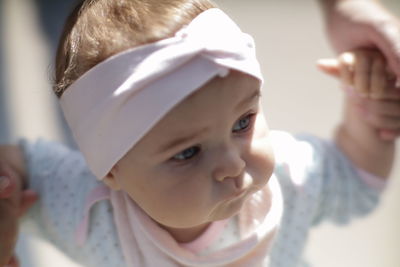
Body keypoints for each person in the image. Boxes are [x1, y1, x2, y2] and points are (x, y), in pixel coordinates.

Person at [0, 0, 399, 266]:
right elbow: (23, 165)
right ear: (110, 168)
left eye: (243, 122)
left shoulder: (286, 182)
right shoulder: (89, 211)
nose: (232, 164)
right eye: (187, 152)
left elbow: (353, 179)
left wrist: (370, 109)